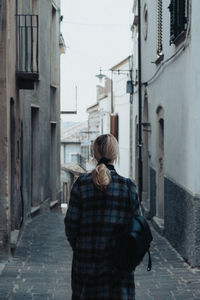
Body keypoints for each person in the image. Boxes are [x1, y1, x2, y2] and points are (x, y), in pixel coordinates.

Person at [64, 134, 140, 300]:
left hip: (86, 264)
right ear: (115, 155)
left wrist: (81, 248)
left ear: (94, 154)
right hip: (119, 268)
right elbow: (137, 229)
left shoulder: (81, 184)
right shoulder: (128, 187)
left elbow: (70, 225)